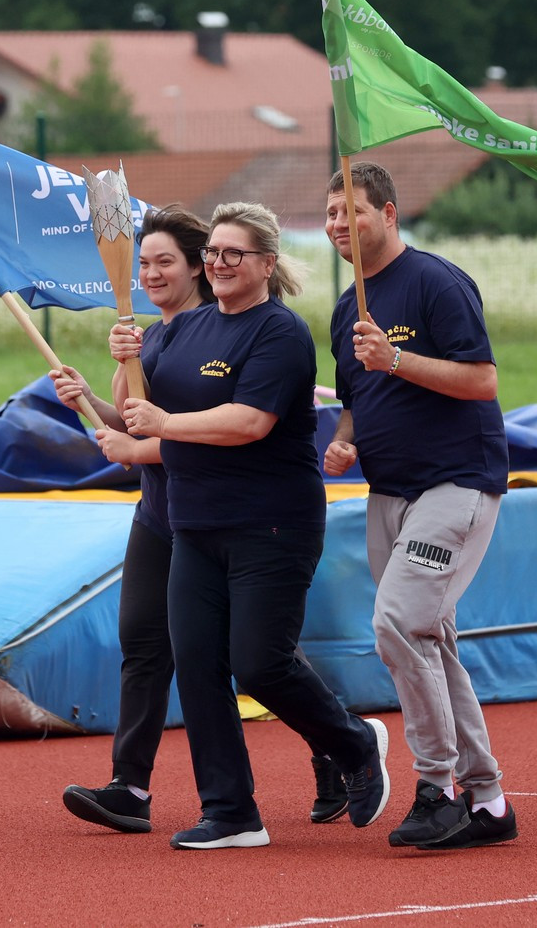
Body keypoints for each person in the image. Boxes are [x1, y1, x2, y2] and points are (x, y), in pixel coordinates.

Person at [53, 206, 352, 836]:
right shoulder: (164, 337)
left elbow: (226, 427)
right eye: (144, 264)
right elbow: (132, 415)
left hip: (240, 511)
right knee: (152, 642)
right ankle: (140, 787)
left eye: (167, 261)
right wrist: (90, 395)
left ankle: (335, 745)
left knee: (258, 658)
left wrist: (143, 444)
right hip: (172, 515)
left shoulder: (265, 332)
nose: (153, 273)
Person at [321, 160, 516, 850]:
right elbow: (355, 399)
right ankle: (487, 799)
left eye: (354, 211)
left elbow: (484, 380)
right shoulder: (350, 306)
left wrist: (397, 361)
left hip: (455, 483)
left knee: (398, 624)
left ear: (390, 213)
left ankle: (437, 787)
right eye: (333, 215)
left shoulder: (436, 281)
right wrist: (344, 442)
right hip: (388, 492)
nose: (341, 225)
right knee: (431, 639)